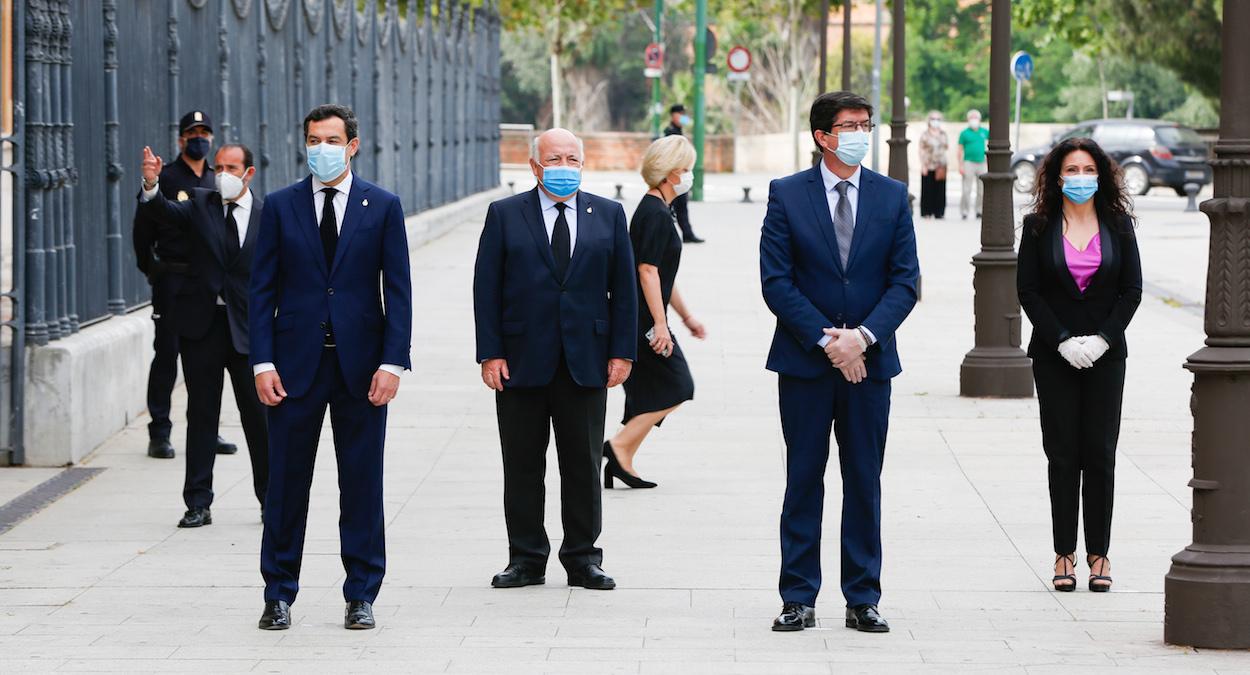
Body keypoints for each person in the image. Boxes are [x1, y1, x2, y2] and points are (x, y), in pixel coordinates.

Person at [759, 91, 919, 633]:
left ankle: (862, 597)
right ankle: (797, 596)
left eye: (865, 124)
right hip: (805, 365)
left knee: (864, 479)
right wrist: (831, 343)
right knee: (803, 478)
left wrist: (863, 339)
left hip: (871, 366)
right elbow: (776, 283)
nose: (860, 133)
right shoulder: (785, 195)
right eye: (849, 125)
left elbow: (905, 281)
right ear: (822, 136)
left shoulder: (893, 196)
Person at [250, 104, 412, 631]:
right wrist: (262, 361)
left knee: (362, 484)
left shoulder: (382, 207)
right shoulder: (279, 206)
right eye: (313, 139)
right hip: (293, 367)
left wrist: (392, 363)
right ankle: (278, 594)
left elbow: (399, 292)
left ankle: (361, 593)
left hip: (361, 369)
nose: (321, 148)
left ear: (353, 145)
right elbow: (261, 292)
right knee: (286, 484)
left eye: (332, 139)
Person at [473, 128, 637, 592]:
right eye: (554, 158)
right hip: (521, 361)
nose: (564, 166)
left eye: (572, 158)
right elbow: (486, 288)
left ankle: (583, 558)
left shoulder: (608, 214)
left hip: (587, 359)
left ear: (583, 164)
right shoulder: (505, 215)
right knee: (523, 463)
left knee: (582, 463)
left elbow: (623, 291)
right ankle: (526, 558)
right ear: (534, 165)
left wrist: (622, 352)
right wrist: (490, 352)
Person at [1016, 137, 1141, 594]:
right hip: (1055, 356)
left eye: (1089, 170)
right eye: (1072, 170)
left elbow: (1132, 290)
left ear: (1102, 176)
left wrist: (1105, 339)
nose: (1081, 178)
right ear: (1057, 176)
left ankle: (1100, 555)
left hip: (1107, 357)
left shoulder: (1120, 225)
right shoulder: (1036, 227)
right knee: (1063, 455)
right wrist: (1064, 340)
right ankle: (1064, 554)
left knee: (1101, 455)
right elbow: (1028, 291)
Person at [138, 143, 269, 529]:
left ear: (249, 173)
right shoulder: (200, 203)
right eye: (219, 167)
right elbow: (161, 211)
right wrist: (150, 184)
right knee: (202, 415)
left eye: (232, 167)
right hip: (203, 327)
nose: (223, 174)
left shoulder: (268, 215)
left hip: (249, 332)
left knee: (259, 420)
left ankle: (271, 500)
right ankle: (198, 502)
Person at [603, 135, 707, 489]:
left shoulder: (660, 210)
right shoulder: (655, 214)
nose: (690, 176)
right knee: (678, 385)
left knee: (648, 394)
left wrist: (687, 317)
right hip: (642, 320)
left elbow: (662, 274)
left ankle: (623, 460)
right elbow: (647, 271)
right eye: (687, 170)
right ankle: (617, 448)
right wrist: (661, 325)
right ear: (671, 173)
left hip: (645, 316)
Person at [132, 110, 236, 459]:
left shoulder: (215, 178)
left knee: (206, 359)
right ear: (180, 139)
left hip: (206, 283)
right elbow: (143, 228)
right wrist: (153, 270)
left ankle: (207, 429)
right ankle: (159, 431)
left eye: (205, 132)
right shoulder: (169, 175)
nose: (200, 138)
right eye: (193, 132)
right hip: (173, 280)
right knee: (167, 355)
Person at [663, 104, 704, 244]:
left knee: (681, 207)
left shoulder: (678, 130)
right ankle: (672, 235)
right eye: (680, 114)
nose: (683, 117)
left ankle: (687, 234)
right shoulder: (670, 132)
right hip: (673, 175)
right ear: (674, 115)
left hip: (680, 174)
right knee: (672, 206)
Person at [957, 109, 989, 220]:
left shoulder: (984, 132)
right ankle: (964, 211)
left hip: (982, 162)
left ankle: (979, 210)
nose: (974, 120)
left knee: (981, 189)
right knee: (966, 189)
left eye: (976, 118)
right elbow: (960, 149)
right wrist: (960, 165)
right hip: (968, 162)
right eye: (972, 118)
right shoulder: (964, 133)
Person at [918, 111, 949, 219]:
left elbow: (946, 148)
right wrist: (923, 165)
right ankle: (927, 212)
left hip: (940, 165)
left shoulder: (943, 134)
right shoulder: (925, 134)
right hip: (928, 164)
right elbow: (921, 149)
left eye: (938, 119)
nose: (935, 121)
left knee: (940, 189)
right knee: (927, 189)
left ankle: (939, 212)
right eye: (933, 119)